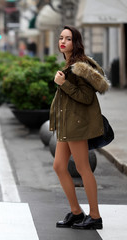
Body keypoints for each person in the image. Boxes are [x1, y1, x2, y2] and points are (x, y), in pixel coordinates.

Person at [49, 25, 109, 230]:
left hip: (76, 124)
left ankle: (95, 216)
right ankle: (76, 212)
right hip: (67, 124)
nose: (62, 41)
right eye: (61, 38)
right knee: (59, 166)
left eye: (68, 38)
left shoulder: (79, 66)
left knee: (83, 169)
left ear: (76, 42)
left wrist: (63, 83)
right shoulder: (69, 63)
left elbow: (85, 97)